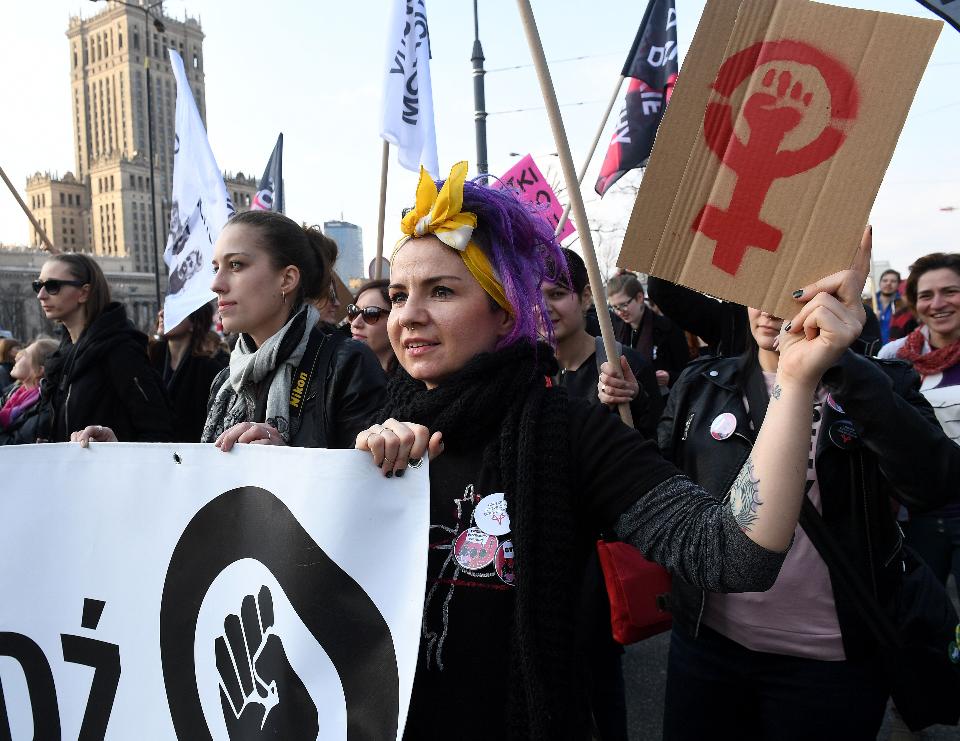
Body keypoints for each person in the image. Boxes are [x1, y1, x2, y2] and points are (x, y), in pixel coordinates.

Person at [353, 162, 873, 739]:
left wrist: (797, 381)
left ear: (504, 313)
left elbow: (733, 555)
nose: (408, 315)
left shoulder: (570, 433)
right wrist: (272, 464)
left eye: (442, 291)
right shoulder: (372, 433)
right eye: (398, 296)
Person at [658, 253, 959, 739]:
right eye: (760, 286)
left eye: (792, 288)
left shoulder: (884, 381)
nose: (772, 308)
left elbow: (933, 486)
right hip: (708, 645)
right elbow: (666, 491)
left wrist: (845, 368)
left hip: (833, 662)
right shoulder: (702, 385)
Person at [75, 211, 387, 450]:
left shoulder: (345, 363)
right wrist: (119, 455)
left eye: (236, 265)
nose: (216, 284)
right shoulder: (225, 382)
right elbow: (200, 484)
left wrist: (288, 459)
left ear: (287, 279)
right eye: (216, 268)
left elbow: (368, 486)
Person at [879, 252, 960, 588]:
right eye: (926, 295)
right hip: (919, 516)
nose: (937, 303)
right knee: (926, 623)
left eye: (950, 291)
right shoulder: (894, 357)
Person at [32, 253, 173, 443]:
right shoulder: (63, 355)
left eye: (52, 286)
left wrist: (115, 446)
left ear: (84, 292)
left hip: (112, 471)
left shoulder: (121, 349)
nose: (41, 295)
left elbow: (158, 431)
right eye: (38, 285)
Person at [544, 248, 661, 439]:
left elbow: (657, 448)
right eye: (531, 296)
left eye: (557, 294)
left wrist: (636, 401)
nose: (542, 307)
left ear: (586, 297)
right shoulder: (526, 373)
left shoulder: (627, 367)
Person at [148, 302, 228, 443]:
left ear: (194, 322)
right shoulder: (149, 358)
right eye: (163, 308)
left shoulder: (210, 369)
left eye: (173, 309)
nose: (161, 314)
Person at [606, 272, 689, 391]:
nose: (619, 312)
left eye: (623, 305)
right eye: (615, 307)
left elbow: (688, 373)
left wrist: (670, 378)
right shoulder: (616, 331)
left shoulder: (668, 328)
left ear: (639, 298)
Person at [0, 338, 59, 444]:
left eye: (24, 355)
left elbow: (14, 446)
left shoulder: (44, 408)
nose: (16, 357)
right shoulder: (12, 394)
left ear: (39, 370)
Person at [348, 279, 397, 375]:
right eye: (353, 312)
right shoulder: (341, 373)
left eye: (371, 313)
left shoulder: (416, 384)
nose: (355, 323)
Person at [874, 268, 903, 345]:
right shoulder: (868, 303)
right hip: (870, 351)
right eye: (885, 280)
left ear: (898, 285)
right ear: (880, 283)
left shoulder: (903, 305)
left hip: (894, 351)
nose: (888, 283)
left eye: (893, 281)